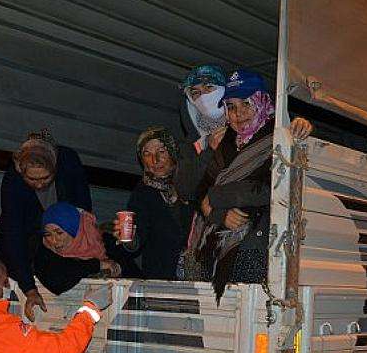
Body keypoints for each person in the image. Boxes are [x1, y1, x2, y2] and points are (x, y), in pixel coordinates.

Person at [191, 69, 312, 299]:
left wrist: (216, 197)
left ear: (262, 102)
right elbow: (199, 196)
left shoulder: (278, 137)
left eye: (246, 103)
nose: (239, 113)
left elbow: (270, 190)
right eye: (232, 107)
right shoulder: (226, 142)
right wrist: (221, 215)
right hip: (218, 253)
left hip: (257, 249)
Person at [0, 129, 92, 321]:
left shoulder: (69, 163)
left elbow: (83, 212)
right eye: (32, 179)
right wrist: (29, 289)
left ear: (55, 169)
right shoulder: (13, 181)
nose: (39, 185)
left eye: (45, 178)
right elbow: (13, 235)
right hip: (31, 241)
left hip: (65, 237)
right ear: (21, 171)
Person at [113, 127, 195, 280]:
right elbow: (137, 238)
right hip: (161, 278)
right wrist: (130, 239)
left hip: (198, 275)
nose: (155, 160)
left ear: (173, 152)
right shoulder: (143, 193)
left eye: (161, 152)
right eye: (147, 154)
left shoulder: (191, 182)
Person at [34, 202, 122, 295]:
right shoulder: (44, 252)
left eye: (59, 233)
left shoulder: (101, 243)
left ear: (76, 230)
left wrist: (127, 241)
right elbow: (57, 281)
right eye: (48, 234)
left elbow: (127, 264)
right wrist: (98, 265)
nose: (54, 240)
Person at [174, 64, 230, 202]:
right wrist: (209, 151)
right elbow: (185, 190)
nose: (204, 97)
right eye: (196, 93)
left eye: (209, 87)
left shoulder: (245, 126)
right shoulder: (190, 145)